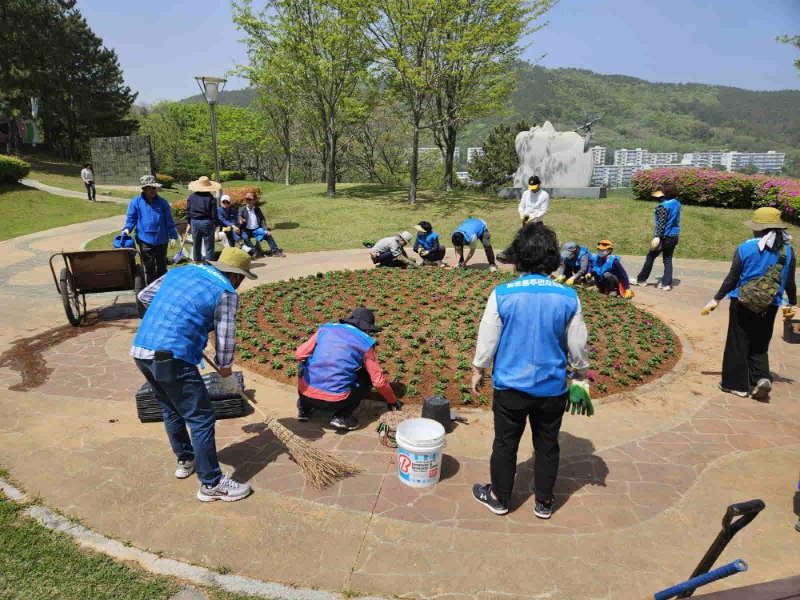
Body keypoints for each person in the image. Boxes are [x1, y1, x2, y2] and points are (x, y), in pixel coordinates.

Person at [471, 222, 590, 519]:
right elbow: (578, 343)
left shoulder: (502, 293)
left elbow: (488, 337)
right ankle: (544, 502)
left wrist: (479, 369)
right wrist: (580, 374)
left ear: (519, 257)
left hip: (510, 386)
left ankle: (499, 497)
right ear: (551, 258)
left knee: (505, 443)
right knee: (547, 445)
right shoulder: (568, 296)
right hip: (552, 389)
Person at [131, 247, 256, 502]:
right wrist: (226, 374)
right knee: (201, 418)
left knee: (171, 409)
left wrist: (178, 317)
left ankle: (185, 460)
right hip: (173, 358)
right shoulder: (226, 292)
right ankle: (211, 484)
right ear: (237, 276)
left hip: (141, 349)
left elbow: (145, 296)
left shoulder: (183, 270)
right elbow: (224, 340)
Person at [700, 207, 796, 400]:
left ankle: (736, 385)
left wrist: (716, 299)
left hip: (741, 302)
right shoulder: (788, 251)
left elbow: (732, 278)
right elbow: (790, 282)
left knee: (738, 342)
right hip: (770, 304)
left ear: (758, 229)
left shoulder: (745, 248)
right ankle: (760, 378)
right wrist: (792, 304)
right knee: (760, 343)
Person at [294, 308, 402, 431]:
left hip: (305, 394)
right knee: (366, 375)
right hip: (335, 402)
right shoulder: (365, 342)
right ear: (366, 328)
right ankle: (342, 416)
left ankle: (304, 408)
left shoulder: (325, 329)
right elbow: (378, 381)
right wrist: (392, 400)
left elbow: (299, 355)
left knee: (305, 362)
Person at [123, 175, 179, 284]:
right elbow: (131, 218)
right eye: (150, 188)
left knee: (162, 267)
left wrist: (173, 236)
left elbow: (169, 220)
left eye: (154, 188)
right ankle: (150, 289)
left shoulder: (163, 202)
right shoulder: (136, 202)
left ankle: (163, 289)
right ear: (144, 189)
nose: (153, 190)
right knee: (149, 267)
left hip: (161, 239)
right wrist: (127, 229)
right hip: (144, 239)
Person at [631, 183, 682, 291]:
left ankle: (641, 280)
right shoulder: (676, 203)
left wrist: (657, 236)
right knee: (667, 259)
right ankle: (666, 284)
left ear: (665, 193)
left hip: (663, 237)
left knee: (650, 257)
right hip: (674, 236)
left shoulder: (663, 207)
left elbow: (662, 223)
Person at [238, 192, 285, 258]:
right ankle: (254, 251)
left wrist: (265, 229)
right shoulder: (242, 209)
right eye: (247, 199)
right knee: (245, 237)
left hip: (257, 229)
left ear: (253, 201)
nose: (248, 201)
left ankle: (275, 251)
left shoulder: (257, 209)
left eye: (250, 199)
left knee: (268, 235)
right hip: (246, 230)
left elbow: (262, 219)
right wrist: (241, 219)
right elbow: (239, 215)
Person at [186, 176, 221, 263]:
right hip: (207, 222)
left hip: (194, 221)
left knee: (196, 244)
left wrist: (189, 222)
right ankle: (209, 263)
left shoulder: (191, 197)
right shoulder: (211, 198)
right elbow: (214, 213)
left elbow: (188, 210)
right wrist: (216, 224)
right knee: (209, 245)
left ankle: (197, 262)